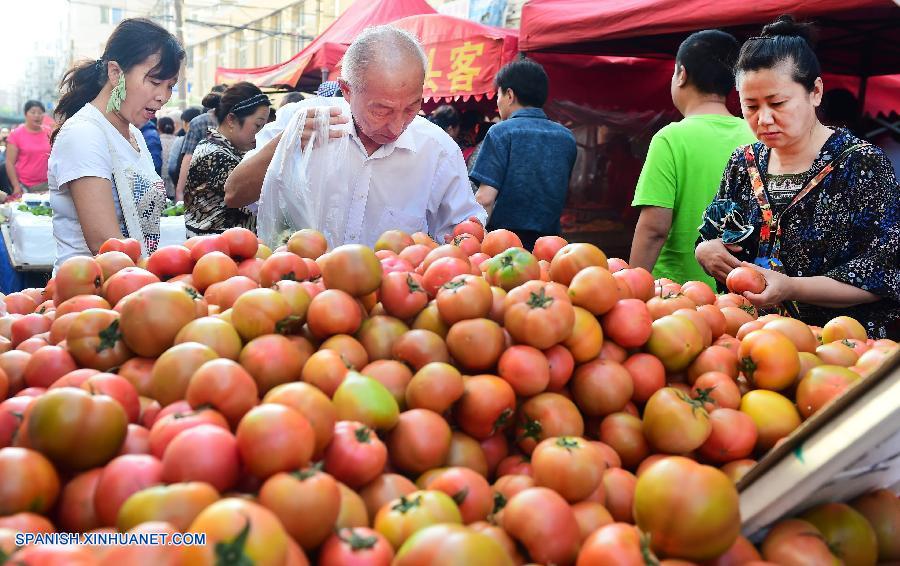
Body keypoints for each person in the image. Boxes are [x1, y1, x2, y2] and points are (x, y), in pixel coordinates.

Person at [696, 15, 900, 339]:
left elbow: (883, 272)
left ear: (815, 91)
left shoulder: (862, 166)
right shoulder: (742, 162)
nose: (763, 118)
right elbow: (714, 235)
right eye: (750, 106)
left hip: (839, 350)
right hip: (750, 342)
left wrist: (791, 287)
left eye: (777, 103)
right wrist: (706, 250)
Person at [224, 25, 486, 246]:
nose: (396, 127)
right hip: (301, 291)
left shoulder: (437, 149)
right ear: (347, 91)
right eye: (381, 110)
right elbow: (234, 194)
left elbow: (465, 232)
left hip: (394, 301)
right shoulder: (302, 122)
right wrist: (285, 145)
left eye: (411, 107)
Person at [48, 18, 184, 270]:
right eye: (155, 82)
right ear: (115, 73)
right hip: (90, 295)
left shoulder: (135, 134)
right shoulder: (84, 133)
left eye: (170, 86)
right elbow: (104, 243)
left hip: (130, 286)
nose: (163, 97)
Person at [629, 30, 755, 286]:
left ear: (681, 74)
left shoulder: (671, 139)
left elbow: (654, 229)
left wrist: (631, 287)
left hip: (676, 298)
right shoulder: (756, 134)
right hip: (742, 295)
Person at [469, 57, 577, 252]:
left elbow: (485, 198)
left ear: (510, 95)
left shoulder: (501, 132)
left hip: (504, 246)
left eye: (498, 95)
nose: (497, 102)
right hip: (551, 247)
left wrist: (475, 244)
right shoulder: (566, 137)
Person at [184, 82, 270, 236]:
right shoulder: (212, 154)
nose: (261, 133)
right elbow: (244, 192)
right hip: (213, 251)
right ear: (231, 120)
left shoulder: (233, 151)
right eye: (257, 126)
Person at [174, 84, 226, 202]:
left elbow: (188, 157)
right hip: (227, 185)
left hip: (201, 186)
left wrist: (179, 190)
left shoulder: (198, 122)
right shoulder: (233, 121)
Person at [5, 100, 52, 195]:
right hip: (25, 186)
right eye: (33, 112)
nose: (37, 115)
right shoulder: (16, 134)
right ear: (25, 114)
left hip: (48, 185)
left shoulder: (49, 133)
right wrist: (16, 186)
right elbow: (9, 163)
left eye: (40, 112)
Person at [168, 106, 202, 189]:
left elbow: (172, 167)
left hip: (184, 188)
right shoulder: (210, 139)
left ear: (186, 124)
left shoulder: (180, 141)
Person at [158, 116, 176, 198]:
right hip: (176, 183)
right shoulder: (179, 140)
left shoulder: (157, 140)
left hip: (160, 183)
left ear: (159, 128)